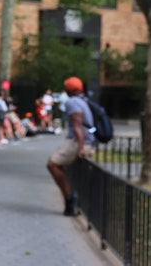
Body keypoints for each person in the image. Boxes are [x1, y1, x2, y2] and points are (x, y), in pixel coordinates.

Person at [46, 76, 95, 216]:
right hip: (83, 140)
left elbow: (77, 125)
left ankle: (69, 198)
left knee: (52, 164)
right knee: (58, 164)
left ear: (68, 90)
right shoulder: (82, 101)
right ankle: (70, 198)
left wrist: (80, 147)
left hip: (77, 141)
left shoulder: (72, 102)